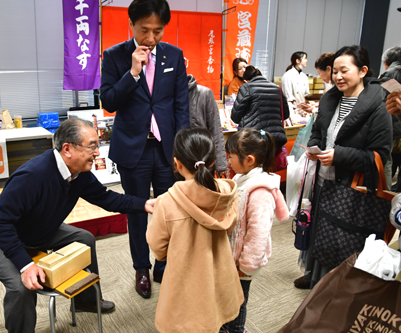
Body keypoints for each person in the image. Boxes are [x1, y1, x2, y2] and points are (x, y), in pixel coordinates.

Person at [0, 118, 156, 333]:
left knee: (85, 239)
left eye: (97, 146)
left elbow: (107, 198)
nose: (97, 153)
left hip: (38, 229)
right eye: (92, 146)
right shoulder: (32, 176)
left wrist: (144, 203)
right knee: (21, 287)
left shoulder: (80, 174)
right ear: (67, 149)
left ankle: (85, 301)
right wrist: (25, 265)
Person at [100, 0, 190, 299]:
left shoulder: (174, 55)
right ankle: (142, 268)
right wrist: (133, 73)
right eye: (144, 30)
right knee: (137, 211)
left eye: (158, 31)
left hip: (166, 150)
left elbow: (180, 105)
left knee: (169, 210)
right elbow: (109, 102)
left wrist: (182, 150)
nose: (151, 38)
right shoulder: (114, 56)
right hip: (133, 150)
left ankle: (163, 261)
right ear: (131, 25)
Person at [294, 45, 392, 290]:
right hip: (324, 181)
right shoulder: (330, 99)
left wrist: (339, 156)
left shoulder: (379, 107)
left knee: (344, 240)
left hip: (353, 187)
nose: (337, 76)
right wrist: (315, 148)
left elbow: (379, 155)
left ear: (363, 71)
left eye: (344, 70)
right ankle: (317, 279)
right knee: (320, 232)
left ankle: (337, 289)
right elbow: (318, 131)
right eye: (334, 71)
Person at [146, 127, 244, 333]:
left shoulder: (166, 202)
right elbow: (231, 224)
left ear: (177, 163)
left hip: (184, 282)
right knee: (215, 319)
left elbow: (157, 247)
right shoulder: (227, 192)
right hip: (220, 276)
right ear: (211, 162)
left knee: (187, 323)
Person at [221, 128, 289, 333]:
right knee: (229, 296)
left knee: (239, 299)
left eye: (231, 157)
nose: (229, 161)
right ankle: (226, 326)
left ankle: (237, 329)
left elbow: (258, 233)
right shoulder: (243, 179)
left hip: (244, 261)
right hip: (233, 254)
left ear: (249, 160)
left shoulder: (259, 191)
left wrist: (247, 265)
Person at [231, 65, 290, 151]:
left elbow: (235, 117)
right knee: (270, 164)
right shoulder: (277, 88)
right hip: (275, 138)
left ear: (246, 80)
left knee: (253, 163)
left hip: (253, 138)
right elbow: (285, 114)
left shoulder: (246, 87)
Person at [187, 74, 228, 177]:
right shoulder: (166, 94)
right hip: (177, 163)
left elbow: (215, 129)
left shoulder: (204, 93)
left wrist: (221, 164)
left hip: (203, 160)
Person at [379, 46, 401, 191]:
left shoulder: (390, 74)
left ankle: (386, 198)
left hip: (392, 128)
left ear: (386, 62)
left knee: (387, 163)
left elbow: (380, 101)